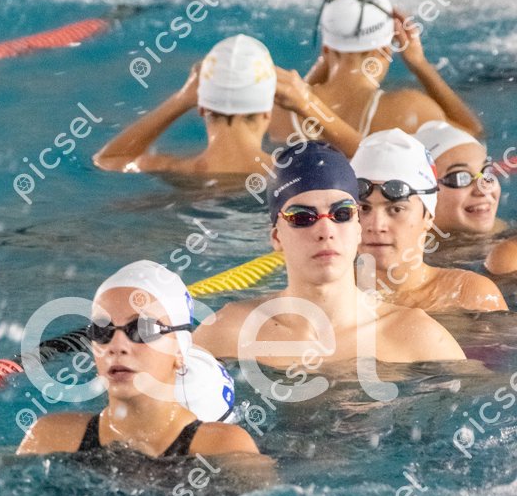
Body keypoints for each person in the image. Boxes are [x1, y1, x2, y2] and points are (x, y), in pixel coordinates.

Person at [194, 141, 467, 366]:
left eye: (342, 213)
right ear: (277, 237)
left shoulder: (417, 338)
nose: (326, 231)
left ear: (358, 228)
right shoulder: (226, 333)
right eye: (302, 217)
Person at [17, 261, 261, 458]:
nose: (117, 345)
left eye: (143, 329)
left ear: (180, 350)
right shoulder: (50, 438)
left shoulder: (225, 449)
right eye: (102, 330)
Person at [94, 35, 360, 179]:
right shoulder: (298, 173)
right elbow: (372, 160)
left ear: (201, 108)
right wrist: (308, 104)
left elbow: (108, 160)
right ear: (268, 110)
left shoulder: (172, 169)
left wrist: (180, 99)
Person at [268, 0, 483, 146]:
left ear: (325, 49)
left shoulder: (279, 111)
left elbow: (302, 96)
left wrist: (329, 56)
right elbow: (472, 136)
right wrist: (420, 64)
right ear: (385, 50)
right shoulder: (409, 110)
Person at [351, 129, 507, 313]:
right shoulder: (326, 291)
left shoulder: (468, 295)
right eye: (364, 208)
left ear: (428, 216)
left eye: (396, 209)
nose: (376, 226)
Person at [415, 120, 506, 237]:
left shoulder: (500, 231)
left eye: (487, 172)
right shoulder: (411, 247)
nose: (483, 189)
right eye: (460, 178)